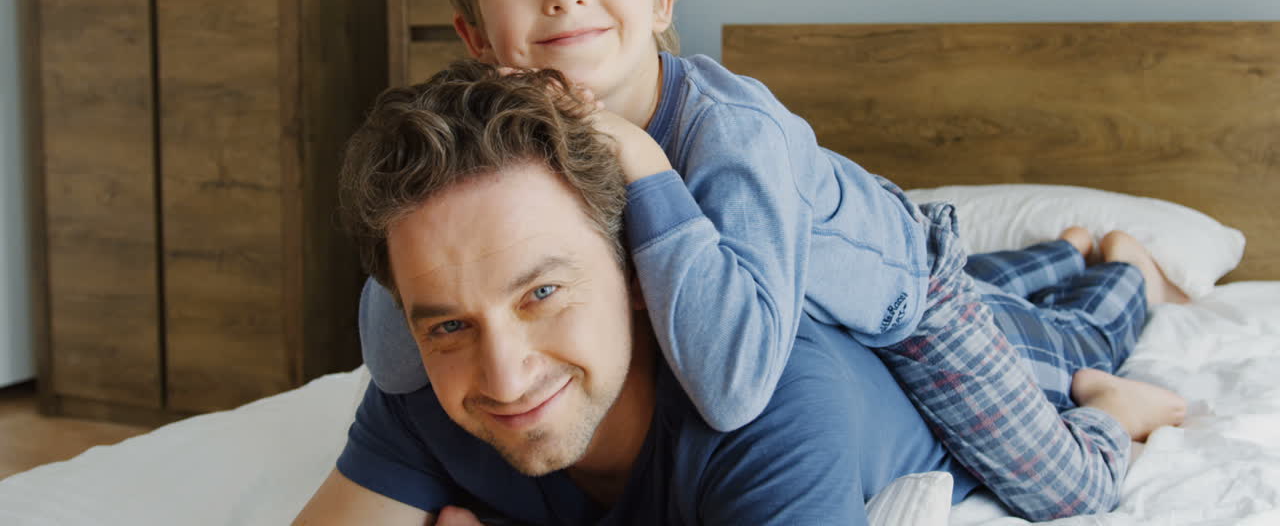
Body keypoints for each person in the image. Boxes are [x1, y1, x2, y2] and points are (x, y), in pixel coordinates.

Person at [356, 0, 1189, 520]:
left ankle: (1125, 292)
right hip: (811, 276)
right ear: (474, 36)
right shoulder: (509, 159)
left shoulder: (730, 133)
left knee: (1061, 475)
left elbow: (732, 384)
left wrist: (645, 164)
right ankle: (1063, 247)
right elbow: (397, 361)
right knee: (1007, 285)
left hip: (903, 296)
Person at [299, 63, 1181, 525]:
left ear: (642, 274)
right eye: (451, 322)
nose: (502, 375)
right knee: (1012, 273)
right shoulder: (431, 386)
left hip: (910, 341)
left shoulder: (767, 411)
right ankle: (1060, 244)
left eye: (542, 295)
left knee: (1079, 343)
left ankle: (1124, 269)